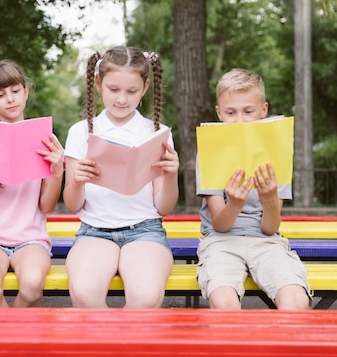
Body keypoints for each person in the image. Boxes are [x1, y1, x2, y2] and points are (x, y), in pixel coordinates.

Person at [63, 46, 179, 308]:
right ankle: (107, 348)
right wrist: (78, 181)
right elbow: (72, 204)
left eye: (131, 91)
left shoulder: (156, 132)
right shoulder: (80, 132)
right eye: (114, 89)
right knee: (84, 291)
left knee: (145, 296)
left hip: (145, 231)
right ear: (98, 83)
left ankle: (125, 348)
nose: (122, 99)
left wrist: (171, 175)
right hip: (94, 231)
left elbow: (165, 207)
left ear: (145, 87)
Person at [196, 68, 310, 310]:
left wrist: (269, 198)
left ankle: (278, 348)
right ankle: (238, 348)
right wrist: (235, 203)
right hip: (221, 242)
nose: (240, 120)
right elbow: (220, 225)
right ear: (219, 113)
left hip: (266, 242)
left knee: (296, 300)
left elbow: (270, 228)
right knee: (223, 301)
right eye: (230, 112)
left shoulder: (277, 150)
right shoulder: (210, 150)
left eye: (248, 112)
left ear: (263, 110)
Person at [0, 60, 64, 307]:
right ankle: (5, 342)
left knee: (31, 284)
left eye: (15, 91)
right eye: (0, 94)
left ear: (26, 91)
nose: (10, 99)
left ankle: (12, 339)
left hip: (31, 239)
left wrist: (58, 171)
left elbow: (46, 206)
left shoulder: (45, 139)